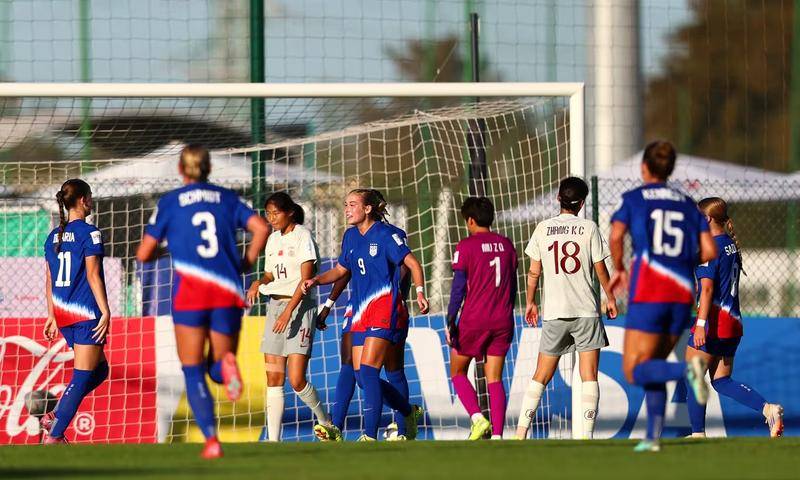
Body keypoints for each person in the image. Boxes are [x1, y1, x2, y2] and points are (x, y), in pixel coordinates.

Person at [136, 145, 269, 458]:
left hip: (191, 294)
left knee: (193, 370)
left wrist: (169, 248)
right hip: (226, 290)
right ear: (209, 168)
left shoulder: (169, 202)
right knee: (219, 364)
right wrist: (246, 261)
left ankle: (211, 441)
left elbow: (143, 253)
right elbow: (261, 227)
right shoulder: (227, 198)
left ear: (180, 170)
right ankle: (227, 364)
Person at [608, 140, 717, 452]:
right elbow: (709, 250)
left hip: (649, 292)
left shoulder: (634, 198)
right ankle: (652, 438)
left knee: (634, 369)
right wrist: (680, 262)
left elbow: (616, 235)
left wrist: (619, 268)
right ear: (669, 169)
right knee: (654, 362)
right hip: (682, 295)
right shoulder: (687, 203)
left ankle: (688, 371)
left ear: (644, 167)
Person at [302, 188, 427, 441]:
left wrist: (420, 292)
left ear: (368, 209)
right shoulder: (350, 236)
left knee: (372, 371)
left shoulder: (387, 235)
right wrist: (316, 280)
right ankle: (407, 412)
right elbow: (340, 271)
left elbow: (412, 264)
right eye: (346, 204)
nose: (347, 209)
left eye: (352, 204)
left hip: (384, 307)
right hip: (359, 311)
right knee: (360, 376)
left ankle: (370, 435)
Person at [515, 177, 617, 440]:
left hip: (554, 312)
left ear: (558, 198)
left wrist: (530, 301)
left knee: (541, 375)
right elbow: (601, 269)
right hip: (586, 311)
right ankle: (587, 437)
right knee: (589, 375)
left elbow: (534, 272)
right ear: (582, 203)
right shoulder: (589, 228)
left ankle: (520, 432)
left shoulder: (543, 228)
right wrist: (610, 298)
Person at [685, 197, 783, 438]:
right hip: (733, 324)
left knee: (693, 375)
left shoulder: (709, 247)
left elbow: (707, 289)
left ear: (707, 218)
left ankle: (698, 434)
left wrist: (700, 324)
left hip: (713, 323)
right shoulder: (729, 243)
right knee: (721, 380)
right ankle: (768, 409)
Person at [245, 192, 338, 442]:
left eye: (276, 213)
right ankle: (273, 441)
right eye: (268, 214)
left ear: (290, 213)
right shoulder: (273, 239)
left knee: (296, 380)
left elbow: (306, 281)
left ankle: (326, 422)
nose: (271, 218)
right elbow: (270, 275)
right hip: (275, 308)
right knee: (274, 378)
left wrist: (289, 312)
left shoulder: (302, 236)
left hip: (299, 308)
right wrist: (258, 282)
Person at [40, 179, 111, 444]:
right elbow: (93, 275)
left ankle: (56, 415)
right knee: (81, 377)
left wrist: (51, 315)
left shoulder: (53, 236)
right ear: (82, 200)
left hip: (63, 313)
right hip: (85, 314)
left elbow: (49, 279)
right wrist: (105, 311)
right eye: (90, 197)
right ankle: (55, 435)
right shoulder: (90, 233)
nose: (91, 202)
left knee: (100, 371)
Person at [446, 197, 517, 440]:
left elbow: (458, 288)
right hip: (503, 318)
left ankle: (478, 419)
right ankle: (497, 436)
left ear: (470, 220)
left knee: (457, 371)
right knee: (494, 378)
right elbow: (512, 285)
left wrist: (450, 319)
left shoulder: (466, 246)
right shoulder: (506, 245)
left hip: (474, 319)